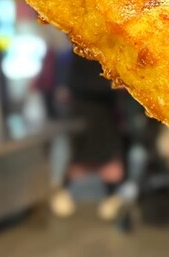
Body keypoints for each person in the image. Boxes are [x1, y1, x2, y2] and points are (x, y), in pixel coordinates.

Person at [50, 54, 126, 220]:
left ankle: (111, 195)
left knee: (108, 155)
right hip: (86, 116)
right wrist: (113, 85)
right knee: (79, 154)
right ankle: (63, 192)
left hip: (106, 117)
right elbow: (77, 82)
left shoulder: (109, 53)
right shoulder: (81, 53)